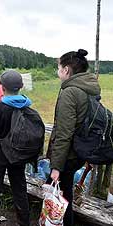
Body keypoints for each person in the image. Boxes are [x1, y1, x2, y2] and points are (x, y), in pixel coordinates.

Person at [46, 49, 99, 226]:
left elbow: (64, 133)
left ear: (66, 70)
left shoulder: (70, 92)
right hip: (79, 152)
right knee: (64, 196)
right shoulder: (90, 88)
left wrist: (56, 167)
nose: (58, 71)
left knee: (60, 199)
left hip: (67, 157)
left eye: (59, 68)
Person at [0, 70, 31, 226]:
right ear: (21, 86)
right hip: (18, 157)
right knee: (20, 190)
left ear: (2, 87)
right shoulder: (27, 107)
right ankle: (24, 223)